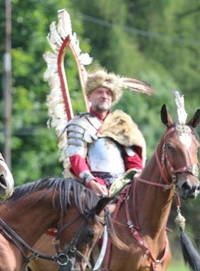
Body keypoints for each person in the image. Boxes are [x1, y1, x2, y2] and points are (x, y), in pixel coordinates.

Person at [62, 69, 151, 197]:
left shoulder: (121, 124)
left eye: (108, 93)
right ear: (89, 97)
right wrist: (92, 183)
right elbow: (76, 160)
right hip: (91, 186)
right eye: (99, 92)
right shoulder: (79, 124)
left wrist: (136, 176)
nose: (104, 96)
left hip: (122, 186)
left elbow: (133, 160)